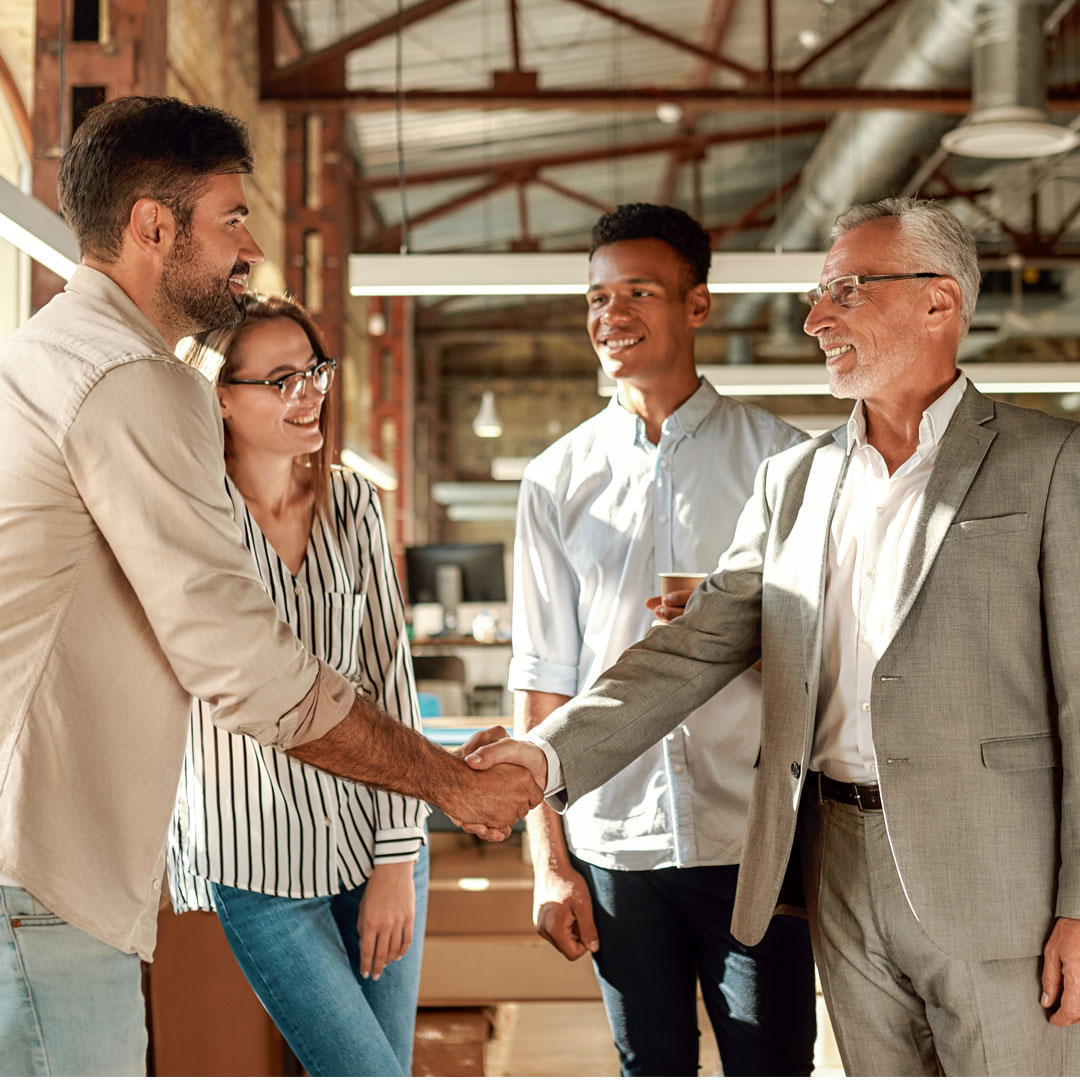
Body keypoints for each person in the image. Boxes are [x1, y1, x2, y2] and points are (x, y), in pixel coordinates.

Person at [464, 197, 1080, 1075]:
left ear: (938, 302)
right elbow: (694, 648)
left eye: (845, 291)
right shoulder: (796, 479)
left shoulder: (1053, 464)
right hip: (833, 865)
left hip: (999, 884)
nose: (814, 318)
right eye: (818, 294)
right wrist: (543, 759)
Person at [0, 95, 537, 1078]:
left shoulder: (37, 357)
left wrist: (397, 843)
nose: (248, 248)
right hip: (46, 871)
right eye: (231, 219)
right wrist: (456, 782)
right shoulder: (134, 378)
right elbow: (242, 664)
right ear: (154, 227)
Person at [509, 203, 814, 1077]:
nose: (612, 315)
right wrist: (549, 863)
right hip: (613, 841)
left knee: (774, 1066)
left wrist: (737, 635)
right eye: (598, 298)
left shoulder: (785, 462)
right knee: (650, 1069)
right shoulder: (555, 479)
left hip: (753, 844)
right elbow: (540, 677)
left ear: (698, 305)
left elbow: (834, 658)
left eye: (638, 290)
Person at [167, 294, 427, 1076]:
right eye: (280, 379)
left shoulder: (351, 503)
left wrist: (396, 858)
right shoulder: (190, 516)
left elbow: (389, 674)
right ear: (220, 395)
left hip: (373, 839)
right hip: (254, 859)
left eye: (313, 370)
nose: (309, 392)